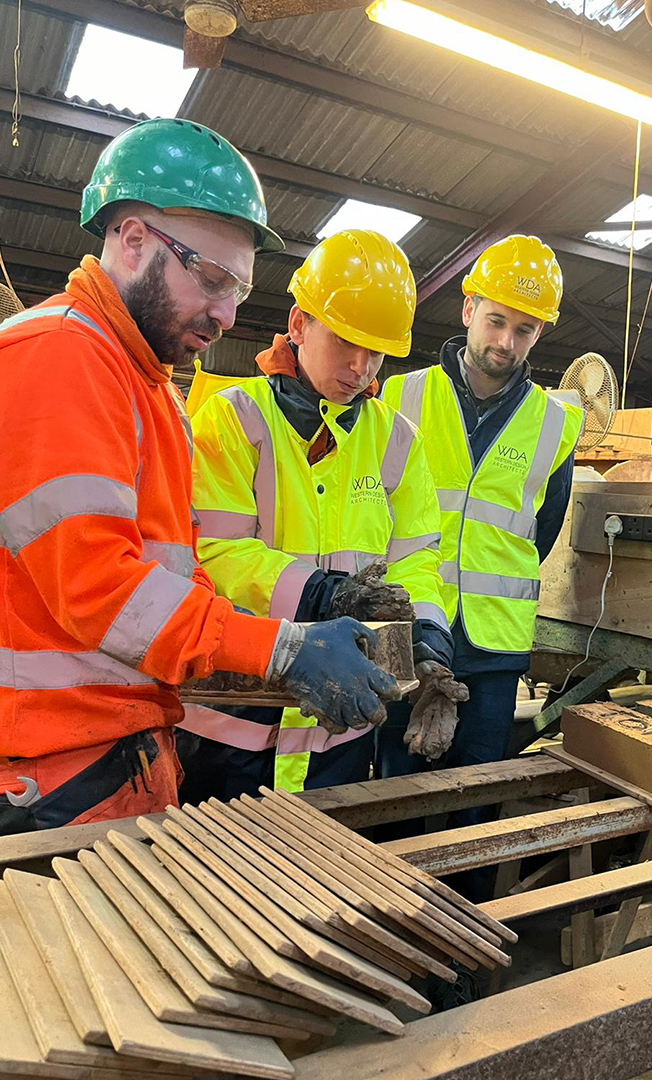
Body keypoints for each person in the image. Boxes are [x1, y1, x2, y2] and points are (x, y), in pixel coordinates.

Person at [0, 120, 397, 834]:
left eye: (238, 290)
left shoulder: (149, 384)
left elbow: (178, 577)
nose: (226, 314)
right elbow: (100, 590)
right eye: (210, 280)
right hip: (52, 773)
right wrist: (282, 649)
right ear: (132, 240)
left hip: (112, 753)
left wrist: (266, 641)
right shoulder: (58, 356)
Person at [175, 229, 462, 798]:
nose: (360, 366)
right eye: (345, 341)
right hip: (233, 722)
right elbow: (214, 553)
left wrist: (429, 640)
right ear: (300, 324)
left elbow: (416, 560)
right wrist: (324, 596)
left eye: (375, 350)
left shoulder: (397, 440)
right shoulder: (231, 419)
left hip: (339, 729)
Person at [377, 234, 584, 899]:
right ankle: (388, 917)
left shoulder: (555, 425)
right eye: (497, 319)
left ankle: (457, 935)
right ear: (467, 310)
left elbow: (542, 532)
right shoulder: (398, 398)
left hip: (494, 648)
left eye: (524, 329)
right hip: (404, 631)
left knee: (477, 797)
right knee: (389, 788)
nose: (507, 339)